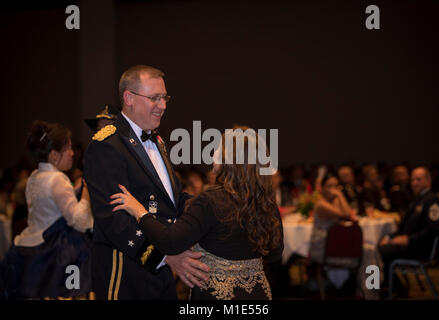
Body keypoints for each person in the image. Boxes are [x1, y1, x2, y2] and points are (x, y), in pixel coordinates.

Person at [109, 128, 283, 300]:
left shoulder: (210, 202)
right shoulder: (266, 203)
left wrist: (139, 211)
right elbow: (275, 253)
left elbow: (169, 242)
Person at [83, 65, 209, 300]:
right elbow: (114, 222)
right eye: (154, 98)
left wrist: (211, 208)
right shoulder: (106, 146)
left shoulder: (157, 141)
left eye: (164, 97)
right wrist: (167, 258)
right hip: (126, 272)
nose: (163, 106)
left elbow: (173, 201)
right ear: (129, 98)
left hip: (162, 271)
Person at [1, 120, 93, 299]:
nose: (72, 154)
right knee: (69, 290)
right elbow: (80, 220)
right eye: (68, 148)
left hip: (31, 247)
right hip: (56, 251)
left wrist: (74, 190)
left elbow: (49, 205)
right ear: (53, 155)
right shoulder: (58, 179)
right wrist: (86, 194)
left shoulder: (34, 177)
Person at [378, 166, 439, 297]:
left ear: (428, 181)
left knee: (375, 254)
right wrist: (389, 237)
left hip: (419, 247)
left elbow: (433, 230)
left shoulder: (432, 200)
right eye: (413, 179)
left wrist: (409, 239)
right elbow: (403, 228)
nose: (414, 183)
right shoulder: (418, 199)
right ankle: (388, 287)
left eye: (419, 179)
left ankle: (377, 288)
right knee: (376, 250)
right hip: (410, 245)